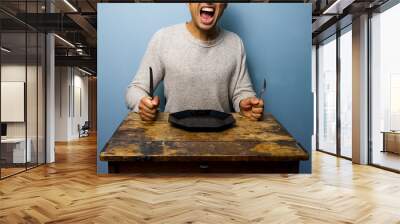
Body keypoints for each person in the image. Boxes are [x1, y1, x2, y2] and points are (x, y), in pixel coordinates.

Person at [126, 3, 264, 121]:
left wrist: (246, 103)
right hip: (173, 141)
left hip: (222, 140)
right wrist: (141, 104)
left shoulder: (235, 43)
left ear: (225, 4)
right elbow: (135, 89)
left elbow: (242, 91)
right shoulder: (163, 38)